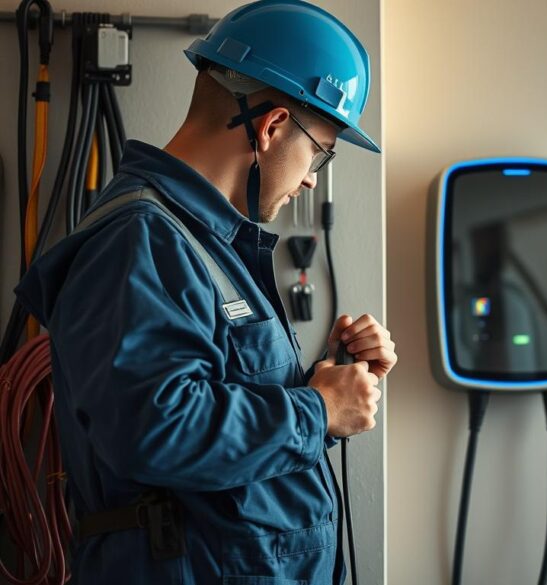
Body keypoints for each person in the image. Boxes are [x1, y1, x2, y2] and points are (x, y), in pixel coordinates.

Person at [12, 1, 394, 583]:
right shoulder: (140, 241)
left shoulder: (201, 243)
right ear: (270, 127)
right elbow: (155, 428)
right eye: (320, 151)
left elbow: (222, 417)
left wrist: (329, 384)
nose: (314, 175)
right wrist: (317, 411)